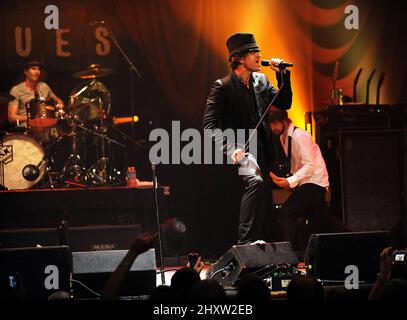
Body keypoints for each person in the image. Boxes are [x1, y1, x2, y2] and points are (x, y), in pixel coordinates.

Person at [203, 32, 292, 244]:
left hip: (261, 148)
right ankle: (245, 243)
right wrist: (229, 148)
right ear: (240, 58)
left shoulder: (261, 81)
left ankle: (254, 242)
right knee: (256, 181)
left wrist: (282, 76)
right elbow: (209, 124)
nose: (260, 56)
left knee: (262, 196)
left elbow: (285, 102)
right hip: (239, 149)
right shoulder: (222, 87)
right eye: (255, 52)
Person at [268, 109, 348, 251]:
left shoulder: (300, 136)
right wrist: (288, 182)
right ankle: (357, 239)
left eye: (275, 123)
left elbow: (310, 165)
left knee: (288, 211)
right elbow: (297, 165)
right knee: (322, 222)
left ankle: (287, 255)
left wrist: (291, 181)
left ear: (284, 121)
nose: (272, 128)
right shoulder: (283, 138)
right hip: (307, 182)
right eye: (270, 124)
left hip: (315, 181)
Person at [7, 60, 64, 141]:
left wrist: (59, 107)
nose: (37, 72)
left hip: (47, 128)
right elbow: (11, 117)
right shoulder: (16, 90)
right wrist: (32, 118)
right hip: (27, 129)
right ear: (25, 71)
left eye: (38, 69)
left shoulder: (44, 86)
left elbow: (59, 101)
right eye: (33, 69)